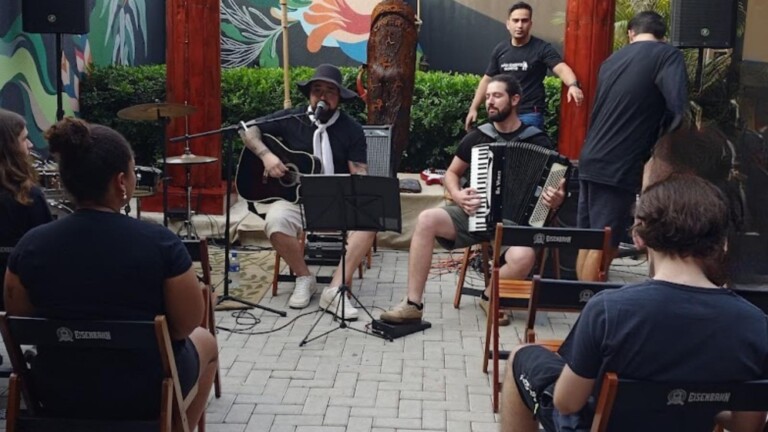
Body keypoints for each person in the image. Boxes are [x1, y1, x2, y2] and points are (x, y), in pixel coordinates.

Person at [500, 174, 768, 432]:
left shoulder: (608, 309)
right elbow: (747, 425)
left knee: (521, 357)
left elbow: (567, 403)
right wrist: (699, 401)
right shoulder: (754, 323)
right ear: (721, 242)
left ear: (640, 236)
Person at [4, 118, 218, 424]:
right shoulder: (161, 244)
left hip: (58, 389)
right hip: (146, 390)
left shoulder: (30, 246)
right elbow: (186, 324)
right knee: (206, 341)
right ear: (121, 182)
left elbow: (21, 318)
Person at [380, 74, 566, 324]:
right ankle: (412, 304)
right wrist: (458, 195)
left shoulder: (537, 140)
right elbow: (451, 174)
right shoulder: (478, 136)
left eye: (497, 96)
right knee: (426, 219)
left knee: (524, 257)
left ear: (515, 100)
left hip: (516, 223)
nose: (490, 102)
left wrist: (556, 198)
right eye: (487, 97)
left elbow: (556, 187)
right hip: (475, 214)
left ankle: (489, 296)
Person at [239, 64, 375, 320]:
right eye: (317, 90)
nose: (322, 96)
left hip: (335, 201)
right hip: (296, 201)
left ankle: (334, 290)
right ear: (310, 95)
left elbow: (359, 172)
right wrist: (266, 156)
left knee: (369, 222)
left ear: (339, 98)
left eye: (330, 91)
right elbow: (248, 129)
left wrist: (362, 184)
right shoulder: (291, 118)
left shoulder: (352, 129)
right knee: (275, 221)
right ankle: (304, 277)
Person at [576, 11, 688, 281]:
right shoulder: (667, 55)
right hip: (620, 162)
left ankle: (579, 299)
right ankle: (590, 300)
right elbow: (677, 110)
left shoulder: (611, 61)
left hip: (591, 156)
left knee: (587, 238)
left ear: (630, 33)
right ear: (663, 36)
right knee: (606, 242)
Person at [465, 1, 583, 131]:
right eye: (515, 21)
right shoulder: (500, 50)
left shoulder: (542, 48)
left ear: (530, 24)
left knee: (525, 145)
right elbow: (487, 79)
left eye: (524, 21)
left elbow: (561, 68)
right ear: (508, 24)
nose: (520, 25)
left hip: (530, 114)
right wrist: (473, 108)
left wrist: (573, 85)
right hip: (504, 113)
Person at [0, 108, 53, 310]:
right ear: (8, 148)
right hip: (17, 298)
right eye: (24, 139)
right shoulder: (28, 196)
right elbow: (45, 251)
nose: (30, 144)